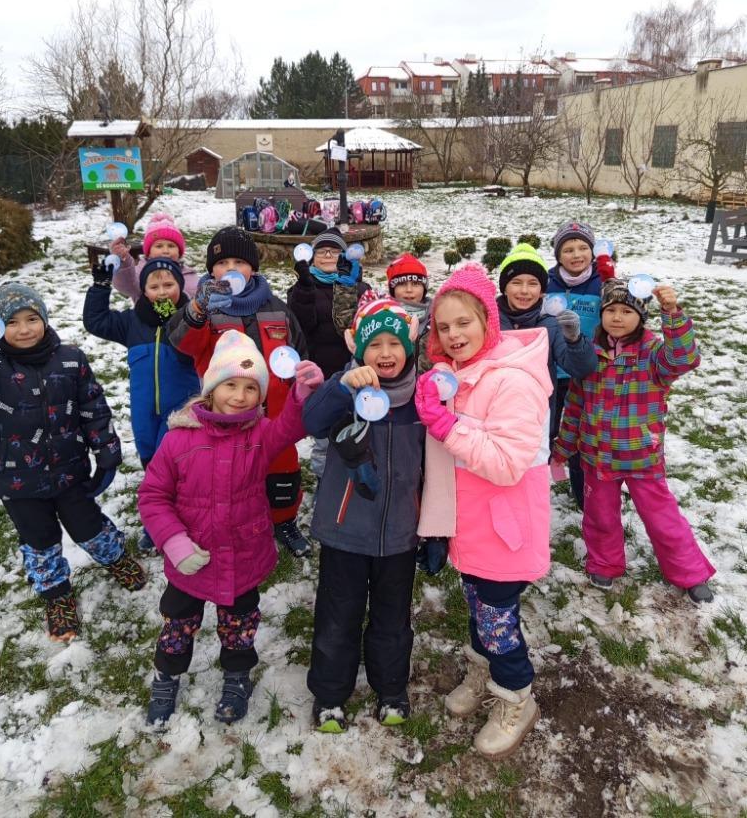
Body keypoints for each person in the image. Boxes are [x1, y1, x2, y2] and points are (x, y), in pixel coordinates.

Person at [139, 330, 323, 725]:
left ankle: (237, 677)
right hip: (191, 561)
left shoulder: (259, 435)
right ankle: (166, 678)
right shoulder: (178, 439)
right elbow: (153, 496)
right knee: (178, 623)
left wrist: (301, 395)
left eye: (250, 388)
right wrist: (174, 542)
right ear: (211, 388)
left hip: (243, 556)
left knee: (239, 625)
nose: (240, 396)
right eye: (230, 385)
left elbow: (290, 428)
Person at [416, 263, 552, 758]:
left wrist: (445, 424)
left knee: (497, 622)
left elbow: (507, 463)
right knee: (479, 609)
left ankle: (517, 697)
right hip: (473, 527)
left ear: (488, 322)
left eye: (463, 323)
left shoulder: (513, 381)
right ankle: (483, 672)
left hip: (504, 530)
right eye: (443, 327)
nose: (453, 335)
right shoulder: (459, 374)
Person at [302, 294, 426, 732]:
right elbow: (311, 421)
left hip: (401, 533)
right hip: (345, 530)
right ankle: (330, 694)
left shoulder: (422, 398)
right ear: (359, 348)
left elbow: (435, 465)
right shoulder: (347, 388)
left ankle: (390, 689)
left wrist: (434, 528)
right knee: (338, 615)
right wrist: (341, 386)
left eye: (395, 344)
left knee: (393, 617)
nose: (385, 353)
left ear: (409, 348)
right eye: (375, 345)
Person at [552, 278, 715, 604]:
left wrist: (672, 312)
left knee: (662, 519)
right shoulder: (590, 356)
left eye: (626, 311)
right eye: (610, 310)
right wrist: (563, 448)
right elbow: (575, 406)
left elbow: (684, 358)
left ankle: (690, 572)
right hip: (597, 457)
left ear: (641, 317)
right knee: (600, 517)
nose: (617, 317)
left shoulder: (654, 355)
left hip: (642, 457)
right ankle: (605, 563)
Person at [0, 283, 145, 642]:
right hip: (18, 482)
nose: (24, 329)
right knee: (39, 541)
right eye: (12, 322)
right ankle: (57, 596)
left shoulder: (70, 359)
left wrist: (106, 453)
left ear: (45, 319)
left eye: (32, 319)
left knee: (89, 526)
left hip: (69, 472)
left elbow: (93, 408)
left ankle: (116, 559)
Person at [168, 226, 311, 557]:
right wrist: (197, 310)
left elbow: (298, 351)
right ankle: (236, 527)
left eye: (239, 262)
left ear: (253, 269)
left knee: (282, 470)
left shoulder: (277, 309)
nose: (230, 269)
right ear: (211, 271)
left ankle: (284, 520)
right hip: (227, 416)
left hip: (275, 415)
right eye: (222, 263)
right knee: (231, 476)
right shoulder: (206, 310)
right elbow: (182, 342)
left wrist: (300, 387)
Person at [83, 257, 201, 549]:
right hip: (144, 412)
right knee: (151, 465)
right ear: (144, 290)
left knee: (172, 466)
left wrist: (186, 318)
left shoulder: (191, 319)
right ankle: (159, 517)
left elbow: (205, 342)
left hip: (180, 410)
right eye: (154, 286)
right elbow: (96, 322)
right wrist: (100, 287)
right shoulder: (132, 322)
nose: (162, 292)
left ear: (180, 285)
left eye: (168, 284)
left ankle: (175, 521)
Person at [287, 228, 370, 481]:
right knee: (323, 435)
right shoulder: (302, 287)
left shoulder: (359, 287)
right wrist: (304, 290)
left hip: (354, 370)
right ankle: (325, 481)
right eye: (322, 251)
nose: (327, 256)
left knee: (354, 430)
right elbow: (302, 325)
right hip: (321, 372)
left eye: (334, 251)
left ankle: (354, 480)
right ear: (312, 256)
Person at [546, 221, 615, 509]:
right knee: (548, 428)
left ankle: (581, 488)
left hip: (589, 371)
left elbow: (624, 312)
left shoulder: (603, 282)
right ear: (558, 255)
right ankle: (541, 474)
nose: (576, 255)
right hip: (552, 371)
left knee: (581, 432)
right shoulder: (546, 283)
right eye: (568, 249)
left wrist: (612, 281)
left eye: (583, 248)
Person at [497, 242, 597, 428]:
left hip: (537, 422)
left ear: (542, 290)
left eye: (533, 283)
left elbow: (581, 369)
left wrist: (575, 340)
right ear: (504, 288)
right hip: (493, 416)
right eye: (516, 282)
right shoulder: (489, 321)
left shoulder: (550, 324)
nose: (524, 291)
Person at [110, 212, 200, 303]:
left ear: (179, 252)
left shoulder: (187, 274)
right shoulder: (141, 271)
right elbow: (126, 286)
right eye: (159, 246)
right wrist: (123, 263)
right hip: (146, 312)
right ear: (149, 252)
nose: (165, 251)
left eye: (171, 246)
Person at [386, 253, 432, 372]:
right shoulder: (383, 315)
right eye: (402, 284)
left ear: (424, 288)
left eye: (415, 284)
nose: (409, 290)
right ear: (393, 289)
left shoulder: (436, 316)